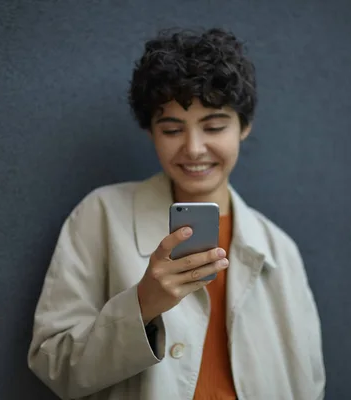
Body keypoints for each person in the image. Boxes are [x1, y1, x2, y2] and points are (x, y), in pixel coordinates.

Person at [27, 28, 325, 400]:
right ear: (150, 131)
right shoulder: (100, 216)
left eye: (214, 126)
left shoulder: (280, 250)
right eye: (171, 129)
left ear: (244, 127)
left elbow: (308, 382)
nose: (194, 148)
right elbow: (54, 363)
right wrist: (143, 305)